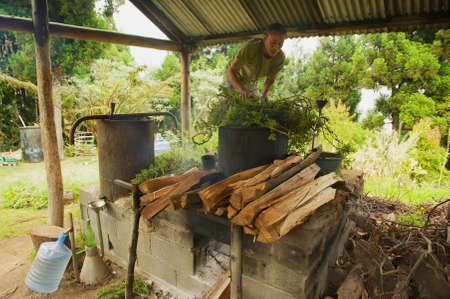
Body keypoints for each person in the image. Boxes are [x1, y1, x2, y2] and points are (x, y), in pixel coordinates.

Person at [225, 23, 286, 103]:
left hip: (251, 83)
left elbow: (270, 80)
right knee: (229, 107)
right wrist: (242, 90)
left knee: (257, 108)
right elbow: (231, 71)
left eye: (280, 44)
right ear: (265, 39)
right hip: (234, 78)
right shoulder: (251, 47)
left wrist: (264, 95)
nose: (276, 47)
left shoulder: (279, 58)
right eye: (273, 42)